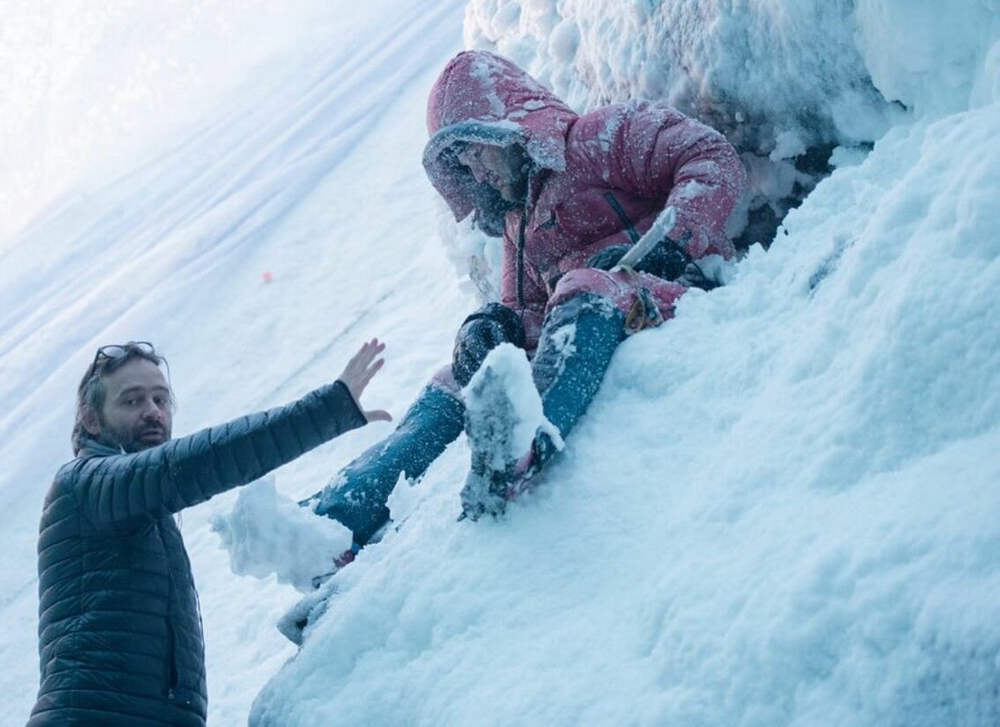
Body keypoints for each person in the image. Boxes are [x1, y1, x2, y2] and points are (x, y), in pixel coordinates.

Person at [306, 49, 745, 548]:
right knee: (458, 377)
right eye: (463, 162)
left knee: (583, 287)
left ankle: (524, 443)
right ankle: (340, 515)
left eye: (477, 148)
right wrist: (496, 326)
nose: (477, 169)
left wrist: (668, 243)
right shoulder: (518, 225)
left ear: (511, 125)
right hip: (593, 317)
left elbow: (711, 158)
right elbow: (532, 313)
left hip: (677, 289)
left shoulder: (601, 138)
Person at [27, 339, 390, 727]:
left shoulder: (129, 506)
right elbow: (199, 462)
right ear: (92, 419)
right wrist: (328, 410)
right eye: (132, 401)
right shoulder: (84, 485)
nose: (153, 412)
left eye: (161, 400)